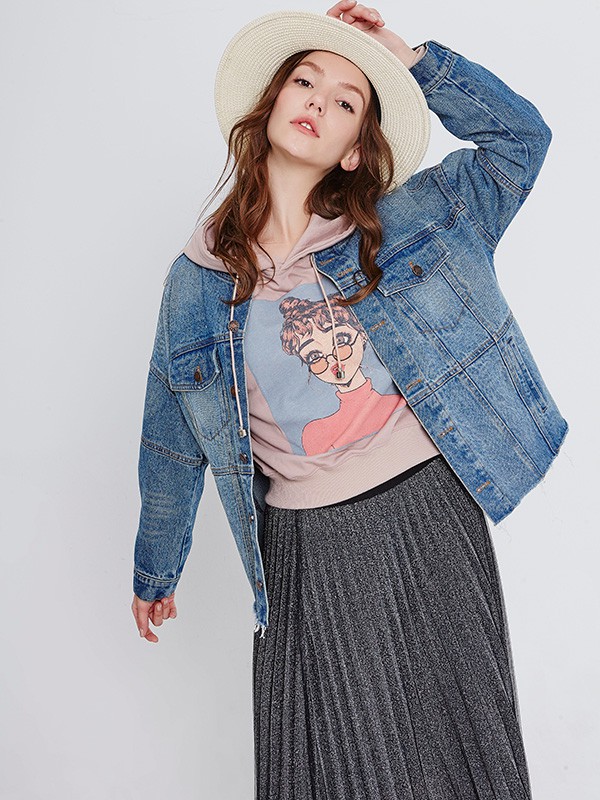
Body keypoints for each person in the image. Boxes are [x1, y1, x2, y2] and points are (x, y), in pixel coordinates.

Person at [131, 2, 568, 797]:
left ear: (354, 148)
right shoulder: (195, 284)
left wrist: (409, 58)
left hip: (430, 516)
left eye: (345, 100)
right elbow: (170, 438)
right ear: (271, 103)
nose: (317, 102)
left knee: (462, 759)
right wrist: (155, 569)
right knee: (338, 768)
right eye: (305, 81)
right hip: (307, 549)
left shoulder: (414, 220)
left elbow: (521, 141)